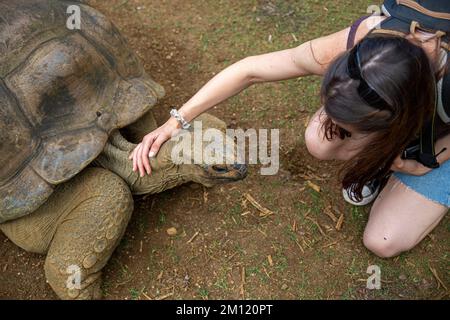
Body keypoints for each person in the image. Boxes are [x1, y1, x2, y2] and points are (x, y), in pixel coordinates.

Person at [129, 6, 449, 258]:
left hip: (438, 131)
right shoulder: (366, 42)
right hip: (404, 116)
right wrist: (176, 121)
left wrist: (420, 163)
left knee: (383, 240)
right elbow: (251, 70)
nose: (334, 125)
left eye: (348, 126)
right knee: (319, 140)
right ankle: (381, 163)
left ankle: (400, 161)